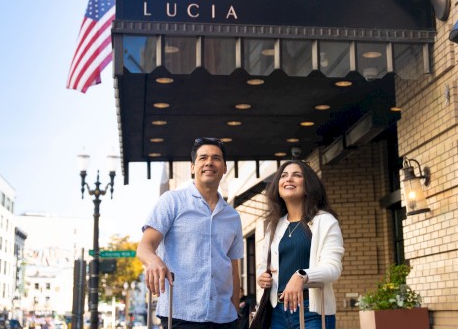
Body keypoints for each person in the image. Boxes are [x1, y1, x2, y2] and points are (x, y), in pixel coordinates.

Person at [137, 137, 244, 329]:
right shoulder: (172, 201)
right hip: (181, 315)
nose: (209, 162)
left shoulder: (233, 216)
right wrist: (153, 261)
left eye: (216, 158)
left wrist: (235, 311)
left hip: (225, 318)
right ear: (193, 167)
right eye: (203, 158)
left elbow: (233, 269)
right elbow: (145, 247)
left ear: (225, 167)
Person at [256, 160, 344, 329]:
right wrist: (263, 277)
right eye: (283, 176)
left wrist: (301, 275)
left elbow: (333, 269)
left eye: (297, 175)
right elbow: (263, 266)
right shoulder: (273, 226)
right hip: (277, 313)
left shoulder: (325, 221)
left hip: (312, 312)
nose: (288, 179)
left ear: (309, 184)